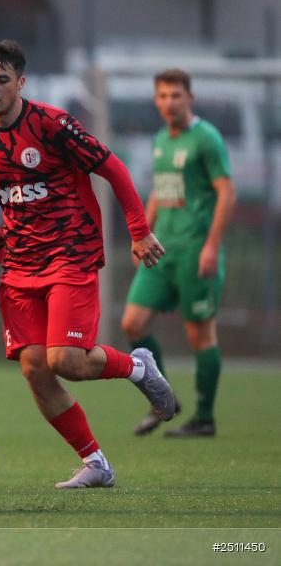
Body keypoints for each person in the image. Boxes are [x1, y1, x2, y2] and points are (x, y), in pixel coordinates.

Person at [0, 40, 175, 489]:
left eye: (1, 80)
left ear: (21, 82)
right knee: (36, 367)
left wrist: (138, 229)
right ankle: (96, 462)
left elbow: (112, 167)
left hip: (69, 254)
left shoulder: (52, 125)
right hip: (18, 265)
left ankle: (138, 368)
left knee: (67, 360)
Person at [121, 68, 235, 437]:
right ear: (156, 100)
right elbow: (159, 190)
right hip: (160, 250)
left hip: (194, 252)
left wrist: (212, 246)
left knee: (200, 333)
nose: (169, 102)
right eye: (163, 96)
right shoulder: (160, 141)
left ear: (190, 98)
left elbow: (226, 192)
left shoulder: (206, 139)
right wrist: (143, 231)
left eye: (176, 96)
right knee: (132, 324)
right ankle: (165, 397)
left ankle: (205, 418)